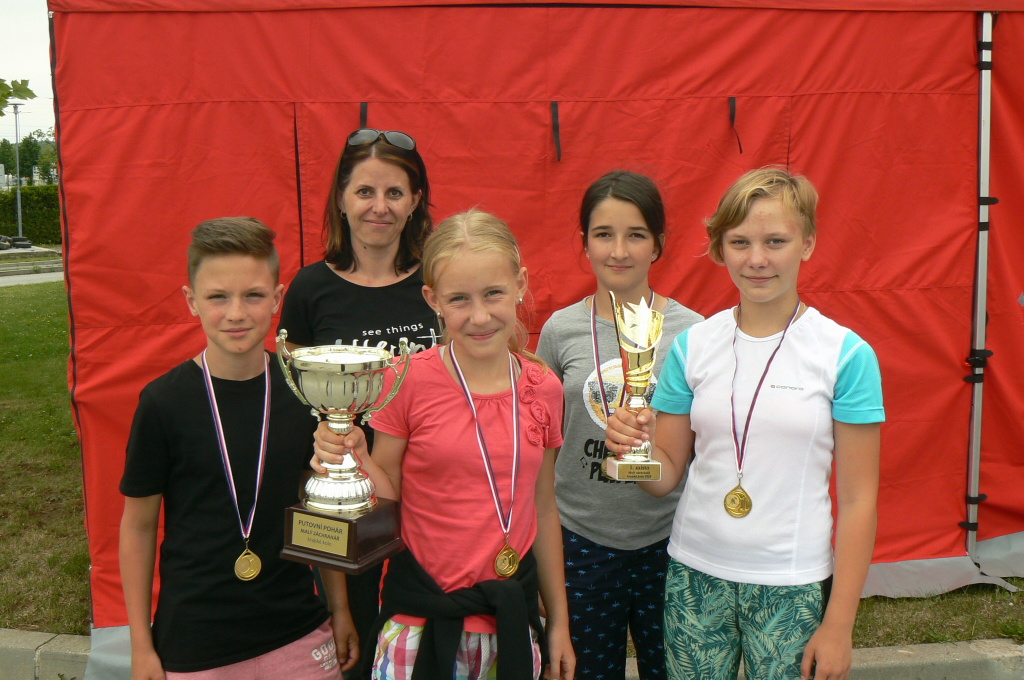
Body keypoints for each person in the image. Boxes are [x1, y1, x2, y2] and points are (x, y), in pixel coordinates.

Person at [606, 167, 883, 680]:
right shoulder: (692, 346)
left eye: (775, 241)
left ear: (807, 243)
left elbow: (859, 500)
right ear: (720, 249)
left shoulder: (845, 355)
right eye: (740, 242)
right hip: (694, 574)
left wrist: (840, 623)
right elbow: (664, 476)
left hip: (792, 583)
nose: (757, 259)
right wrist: (631, 451)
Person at [314, 209, 576, 680]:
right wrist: (353, 457)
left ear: (520, 284)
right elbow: (387, 495)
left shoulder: (544, 388)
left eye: (493, 293)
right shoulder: (405, 381)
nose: (480, 316)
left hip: (510, 626)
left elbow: (543, 504)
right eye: (459, 299)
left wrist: (558, 622)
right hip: (419, 625)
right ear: (432, 299)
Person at [119, 217, 358, 679]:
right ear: (191, 300)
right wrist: (140, 645)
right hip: (196, 641)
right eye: (217, 297)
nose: (236, 313)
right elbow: (139, 527)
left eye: (253, 295)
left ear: (277, 299)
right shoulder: (163, 403)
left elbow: (318, 507)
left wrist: (340, 607)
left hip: (296, 630)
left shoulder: (304, 391)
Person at [278, 128, 441, 675]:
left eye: (395, 193)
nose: (380, 207)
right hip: (351, 506)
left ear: (415, 201)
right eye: (365, 191)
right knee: (361, 651)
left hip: (435, 500)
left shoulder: (438, 283)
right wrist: (339, 605)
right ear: (342, 198)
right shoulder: (310, 290)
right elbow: (304, 428)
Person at [536, 171, 702, 680]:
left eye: (636, 235)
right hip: (581, 537)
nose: (619, 250)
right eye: (604, 234)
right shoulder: (560, 330)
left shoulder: (692, 333)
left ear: (658, 244)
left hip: (669, 538)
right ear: (584, 242)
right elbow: (543, 445)